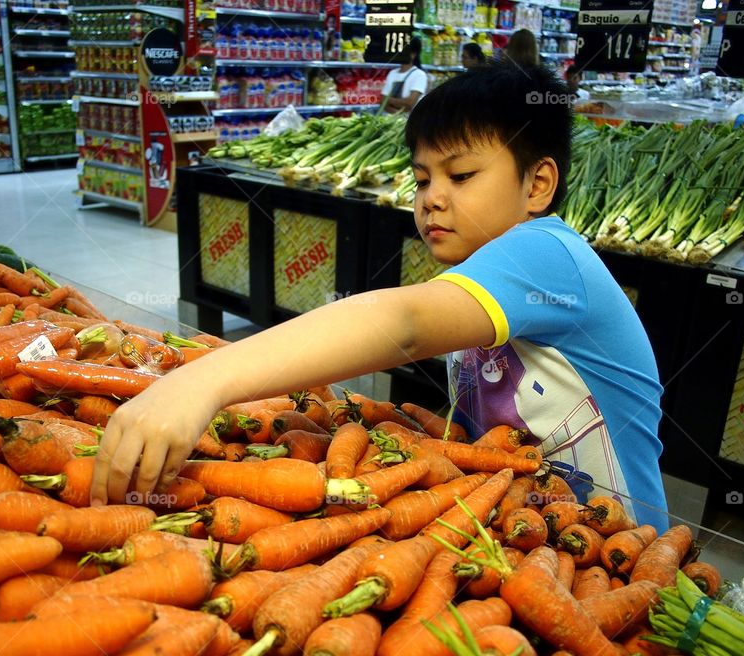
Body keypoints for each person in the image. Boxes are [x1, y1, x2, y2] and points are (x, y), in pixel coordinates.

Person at [91, 61, 669, 532]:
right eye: (422, 180)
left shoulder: (546, 253)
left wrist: (203, 380)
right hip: (534, 527)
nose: (432, 199)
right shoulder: (484, 270)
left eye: (461, 176)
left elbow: (406, 322)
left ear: (538, 184)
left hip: (621, 550)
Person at [380, 37, 428, 113]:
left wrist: (388, 100)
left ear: (413, 54)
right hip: (395, 121)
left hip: (412, 122)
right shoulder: (392, 73)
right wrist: (399, 116)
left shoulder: (419, 75)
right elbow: (382, 101)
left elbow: (410, 103)